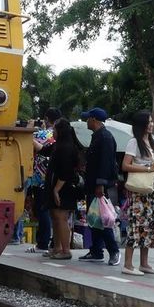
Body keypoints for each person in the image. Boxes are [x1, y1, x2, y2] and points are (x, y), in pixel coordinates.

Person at [120, 111, 154, 275]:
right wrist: (147, 168)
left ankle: (144, 263)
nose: (152, 124)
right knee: (137, 225)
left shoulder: (153, 143)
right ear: (142, 125)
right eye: (149, 122)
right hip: (140, 191)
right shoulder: (134, 142)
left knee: (148, 226)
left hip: (153, 190)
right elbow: (125, 165)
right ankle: (127, 264)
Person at [78, 107, 121, 265]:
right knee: (94, 218)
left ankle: (114, 250)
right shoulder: (97, 136)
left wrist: (100, 185)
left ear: (94, 119)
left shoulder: (105, 137)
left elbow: (105, 163)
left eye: (88, 118)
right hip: (92, 185)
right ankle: (96, 250)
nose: (86, 121)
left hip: (100, 186)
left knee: (103, 219)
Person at [45, 118, 81, 260]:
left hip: (63, 188)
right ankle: (57, 247)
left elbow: (66, 172)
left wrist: (56, 190)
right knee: (55, 217)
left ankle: (66, 250)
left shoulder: (66, 148)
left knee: (61, 218)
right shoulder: (59, 145)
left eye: (54, 129)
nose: (52, 132)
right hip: (58, 186)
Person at [31, 108, 62, 252]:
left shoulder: (41, 134)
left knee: (42, 210)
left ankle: (42, 243)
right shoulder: (60, 134)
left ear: (46, 119)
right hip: (56, 178)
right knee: (54, 213)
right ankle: (53, 243)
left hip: (40, 179)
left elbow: (28, 140)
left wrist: (30, 126)